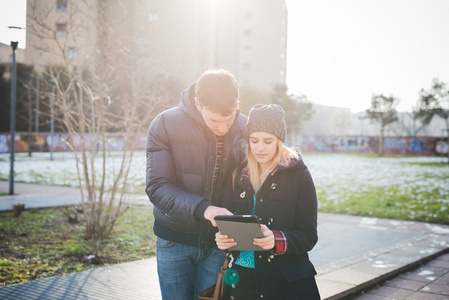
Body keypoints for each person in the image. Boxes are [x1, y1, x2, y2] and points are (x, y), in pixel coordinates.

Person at [145, 69, 248, 300]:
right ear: (197, 103)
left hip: (219, 244)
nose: (223, 128)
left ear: (237, 103)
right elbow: (157, 186)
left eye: (228, 119)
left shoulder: (246, 127)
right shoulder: (164, 124)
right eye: (214, 121)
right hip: (175, 240)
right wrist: (205, 209)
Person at [215, 104, 321, 299]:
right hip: (240, 278)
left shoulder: (299, 176)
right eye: (254, 140)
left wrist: (276, 240)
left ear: (280, 141)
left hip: (282, 282)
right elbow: (229, 222)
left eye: (268, 141)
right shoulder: (239, 175)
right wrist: (223, 240)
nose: (260, 148)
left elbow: (309, 235)